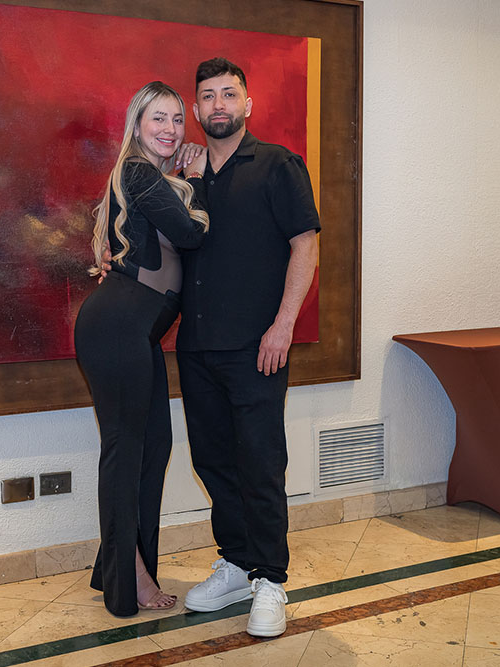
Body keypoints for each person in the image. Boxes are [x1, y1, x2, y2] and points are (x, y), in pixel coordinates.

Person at [176, 58, 320, 637]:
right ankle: (236, 563)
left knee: (260, 463)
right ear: (196, 110)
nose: (219, 104)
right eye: (208, 96)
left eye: (229, 94)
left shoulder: (279, 166)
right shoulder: (187, 174)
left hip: (258, 347)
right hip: (197, 346)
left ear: (247, 104)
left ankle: (271, 579)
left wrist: (284, 325)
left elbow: (305, 247)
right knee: (213, 461)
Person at [73, 81, 209, 617]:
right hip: (116, 328)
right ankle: (129, 582)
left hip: (138, 333)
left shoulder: (155, 179)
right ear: (137, 124)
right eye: (158, 118)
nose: (170, 129)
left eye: (177, 119)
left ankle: (118, 567)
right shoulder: (137, 171)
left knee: (153, 448)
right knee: (126, 452)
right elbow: (190, 235)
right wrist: (196, 180)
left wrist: (184, 181)